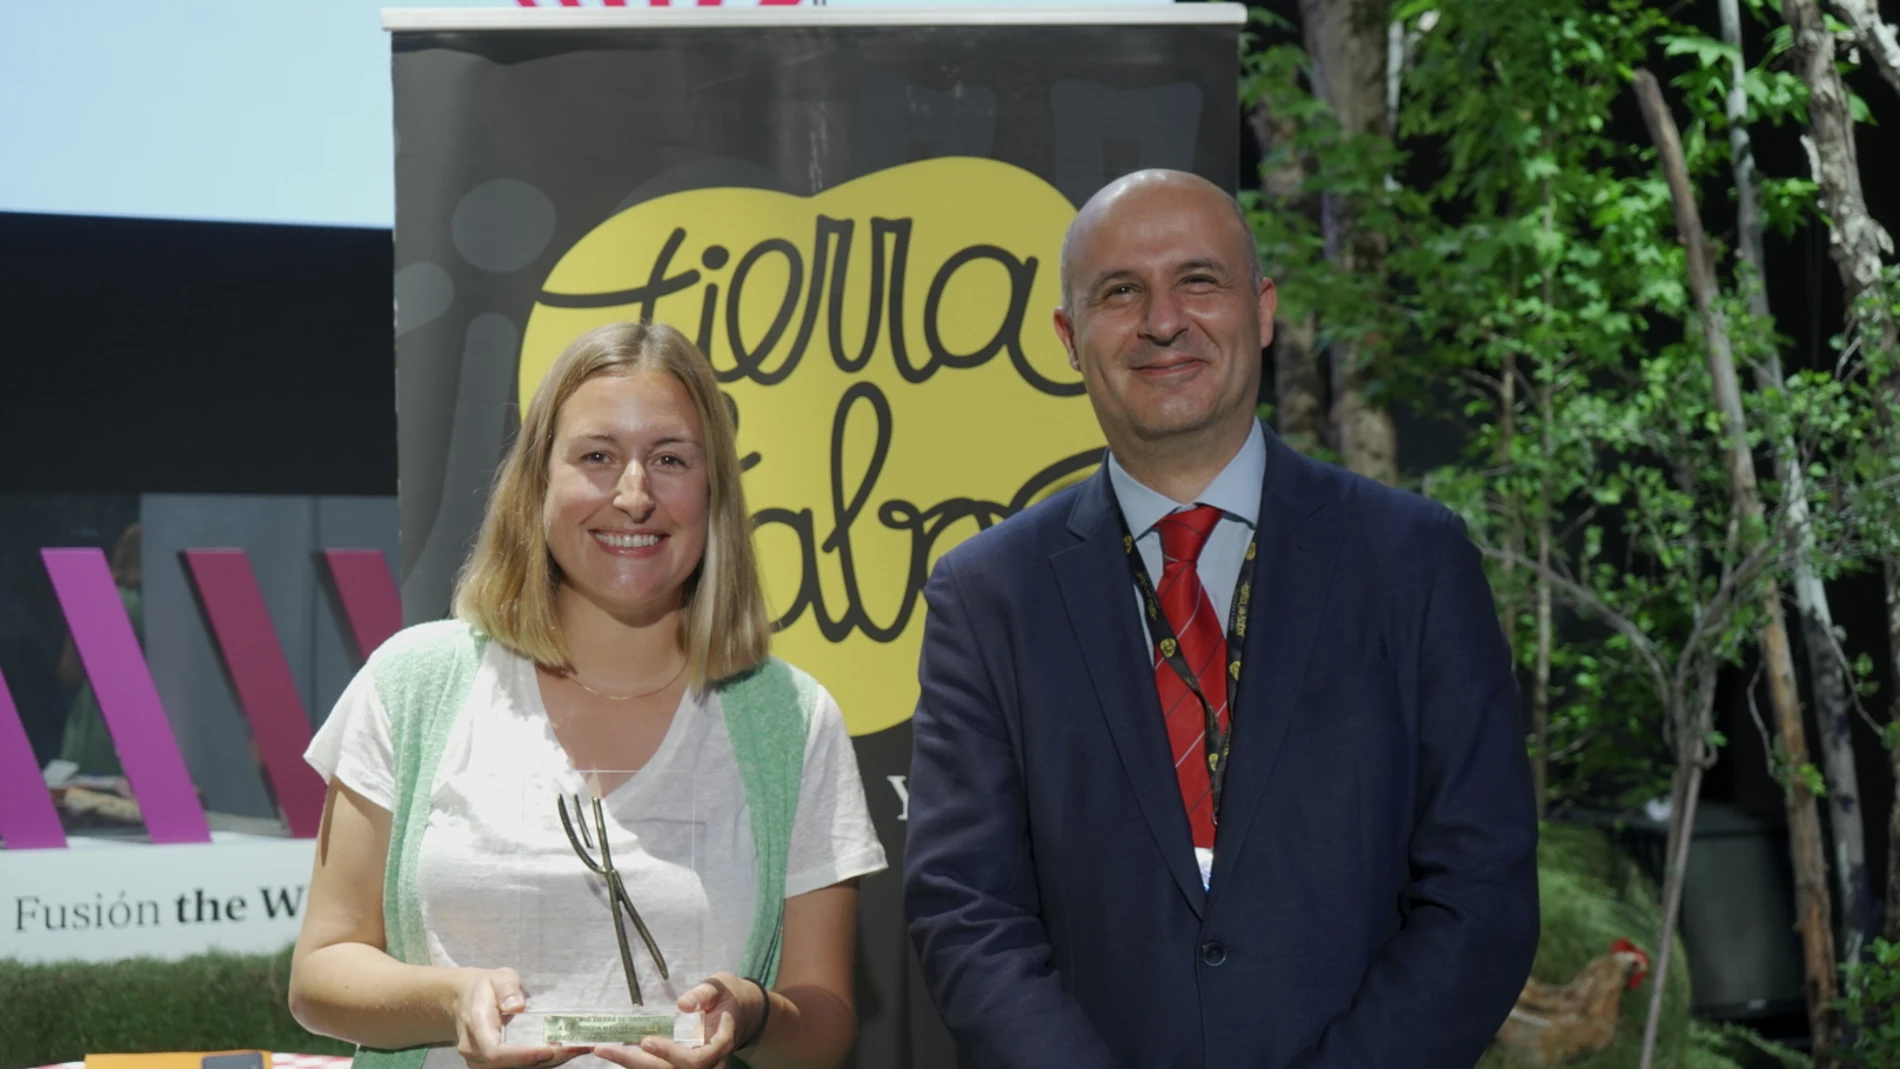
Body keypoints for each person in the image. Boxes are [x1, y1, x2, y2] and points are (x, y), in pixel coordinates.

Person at [903, 170, 1539, 1067]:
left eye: (1199, 280)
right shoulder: (986, 597)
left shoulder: (1415, 562)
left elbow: (1483, 894)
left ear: (1264, 308)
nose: (1164, 320)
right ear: (1068, 339)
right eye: (1120, 291)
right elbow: (965, 910)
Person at [290, 322, 886, 1069]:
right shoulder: (412, 684)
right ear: (540, 481)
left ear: (713, 490)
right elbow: (320, 972)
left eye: (670, 459)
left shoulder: (791, 719)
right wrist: (451, 998)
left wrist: (752, 1011)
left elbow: (825, 1021)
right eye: (597, 456)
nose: (633, 495)